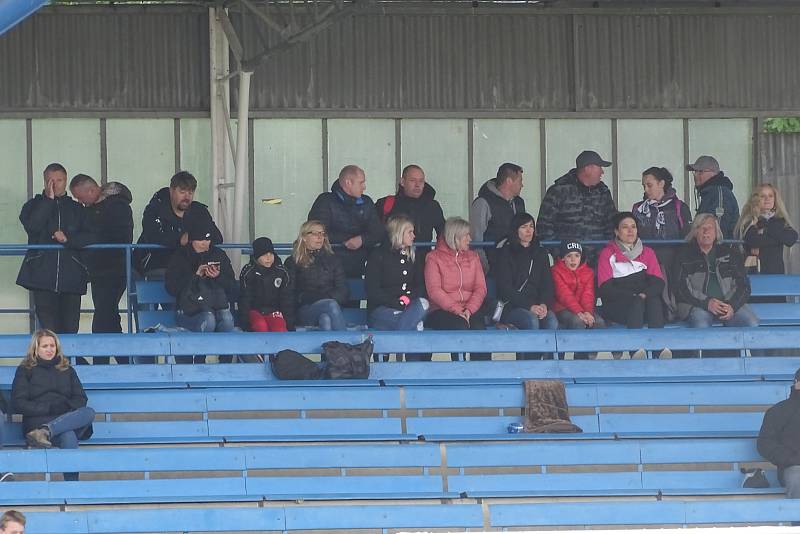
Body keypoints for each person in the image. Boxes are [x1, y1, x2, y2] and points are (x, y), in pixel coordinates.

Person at [17, 163, 93, 335]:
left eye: (59, 180)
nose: (56, 184)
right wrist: (48, 201)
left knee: (70, 330)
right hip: (42, 276)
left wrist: (68, 239)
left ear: (65, 181)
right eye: (51, 180)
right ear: (44, 182)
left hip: (72, 276)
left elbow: (91, 236)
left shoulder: (78, 209)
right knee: (49, 332)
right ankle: (53, 362)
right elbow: (33, 226)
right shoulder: (32, 206)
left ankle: (68, 362)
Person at [11, 330, 95, 481]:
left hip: (64, 418)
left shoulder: (67, 369)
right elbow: (19, 403)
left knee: (89, 412)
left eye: (52, 345)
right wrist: (49, 408)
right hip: (37, 420)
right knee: (68, 435)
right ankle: (72, 486)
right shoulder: (25, 370)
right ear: (35, 349)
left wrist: (64, 407)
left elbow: (81, 398)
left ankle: (46, 432)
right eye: (44, 346)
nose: (49, 349)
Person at [70, 175, 134, 363]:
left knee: (103, 318)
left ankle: (105, 364)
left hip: (114, 270)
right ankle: (125, 363)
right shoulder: (98, 208)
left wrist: (76, 240)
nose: (80, 202)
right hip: (101, 271)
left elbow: (108, 236)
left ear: (91, 191)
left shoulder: (117, 207)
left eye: (80, 198)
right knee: (109, 318)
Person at [165, 209, 236, 363]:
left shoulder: (218, 255)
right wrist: (195, 275)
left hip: (215, 306)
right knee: (208, 320)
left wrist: (218, 277)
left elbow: (232, 286)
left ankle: (225, 365)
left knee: (227, 318)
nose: (205, 243)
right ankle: (199, 361)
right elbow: (172, 288)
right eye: (201, 239)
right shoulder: (180, 257)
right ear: (192, 240)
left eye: (208, 239)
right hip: (188, 311)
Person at [672, 213, 759, 329]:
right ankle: (703, 348)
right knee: (701, 324)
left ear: (717, 232)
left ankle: (735, 348)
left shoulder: (731, 254)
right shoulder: (683, 256)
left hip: (728, 305)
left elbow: (743, 286)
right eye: (701, 228)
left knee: (751, 323)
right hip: (696, 306)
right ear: (695, 232)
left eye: (710, 228)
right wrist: (707, 303)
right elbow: (681, 289)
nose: (706, 231)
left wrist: (732, 305)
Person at [134, 170, 223, 278]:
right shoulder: (154, 210)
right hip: (157, 266)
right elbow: (153, 236)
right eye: (182, 192)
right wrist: (181, 240)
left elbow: (217, 237)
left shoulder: (199, 211)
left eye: (190, 192)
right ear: (171, 191)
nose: (187, 197)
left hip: (193, 266)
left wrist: (192, 238)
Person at [424, 217, 489, 361]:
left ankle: (482, 373)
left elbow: (480, 288)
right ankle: (459, 367)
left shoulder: (473, 257)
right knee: (459, 325)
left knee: (479, 330)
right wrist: (457, 310)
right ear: (455, 237)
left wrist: (469, 309)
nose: (470, 239)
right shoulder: (434, 258)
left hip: (469, 309)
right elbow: (434, 291)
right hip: (441, 310)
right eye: (466, 235)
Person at [493, 213, 557, 360]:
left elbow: (547, 284)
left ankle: (548, 367)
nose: (529, 231)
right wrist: (530, 306)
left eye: (531, 227)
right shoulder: (505, 253)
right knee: (531, 320)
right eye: (524, 227)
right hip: (512, 306)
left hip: (537, 305)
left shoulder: (540, 253)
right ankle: (529, 366)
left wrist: (544, 304)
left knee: (551, 320)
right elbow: (505, 289)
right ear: (515, 230)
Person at [537, 151, 617, 266]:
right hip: (566, 264)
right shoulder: (559, 190)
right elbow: (544, 226)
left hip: (597, 263)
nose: (602, 172)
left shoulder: (603, 192)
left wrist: (604, 253)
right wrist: (561, 254)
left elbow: (612, 225)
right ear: (588, 168)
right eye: (599, 167)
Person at [365, 216, 429, 357]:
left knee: (423, 303)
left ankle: (396, 343)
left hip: (407, 308)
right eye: (410, 232)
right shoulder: (378, 255)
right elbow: (372, 290)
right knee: (414, 326)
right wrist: (395, 302)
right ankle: (412, 373)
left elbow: (420, 286)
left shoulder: (413, 256)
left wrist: (407, 298)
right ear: (399, 233)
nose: (414, 236)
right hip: (381, 310)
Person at [307, 165, 383, 277]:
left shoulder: (366, 202)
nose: (364, 187)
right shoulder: (325, 201)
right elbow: (316, 232)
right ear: (348, 183)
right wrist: (349, 240)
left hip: (358, 268)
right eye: (361, 183)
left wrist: (362, 240)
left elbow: (378, 232)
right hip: (327, 270)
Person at [597, 212, 666, 333]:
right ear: (617, 232)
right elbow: (605, 289)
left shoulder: (647, 252)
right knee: (637, 303)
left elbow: (658, 283)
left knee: (654, 301)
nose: (630, 231)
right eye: (625, 227)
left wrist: (643, 295)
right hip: (618, 306)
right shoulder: (607, 254)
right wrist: (633, 297)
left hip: (644, 302)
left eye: (633, 227)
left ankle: (658, 349)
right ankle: (636, 350)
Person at [284, 220, 349, 331]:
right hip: (305, 310)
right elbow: (290, 294)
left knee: (325, 320)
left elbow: (343, 292)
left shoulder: (334, 260)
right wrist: (289, 322)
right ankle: (345, 345)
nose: (320, 237)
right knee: (331, 305)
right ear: (304, 237)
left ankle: (332, 347)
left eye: (322, 233)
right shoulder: (293, 262)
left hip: (329, 306)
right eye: (315, 233)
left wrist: (321, 298)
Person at [375, 164, 445, 262]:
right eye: (413, 180)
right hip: (391, 264)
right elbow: (374, 233)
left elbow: (443, 234)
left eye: (421, 181)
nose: (417, 185)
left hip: (423, 263)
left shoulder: (432, 206)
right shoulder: (385, 204)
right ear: (402, 182)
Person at [469, 162, 525, 272]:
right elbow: (476, 239)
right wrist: (485, 267)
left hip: (516, 266)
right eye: (520, 181)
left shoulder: (519, 203)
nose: (522, 185)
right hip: (493, 267)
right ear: (509, 181)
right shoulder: (483, 203)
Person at [632, 166, 692, 265]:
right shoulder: (638, 208)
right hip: (645, 261)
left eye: (649, 185)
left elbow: (687, 236)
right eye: (644, 186)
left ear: (661, 184)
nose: (646, 189)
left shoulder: (679, 207)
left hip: (673, 262)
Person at [735, 183, 798, 275]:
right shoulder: (750, 220)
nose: (767, 199)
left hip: (776, 272)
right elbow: (753, 241)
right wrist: (779, 239)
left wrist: (765, 230)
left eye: (770, 196)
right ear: (756, 199)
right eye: (762, 196)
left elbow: (791, 238)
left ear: (775, 199)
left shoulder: (780, 220)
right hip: (754, 272)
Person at [757, 367, 800, 499]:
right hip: (794, 468)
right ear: (797, 383)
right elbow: (764, 444)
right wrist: (793, 459)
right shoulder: (778, 411)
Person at [239, 237, 294, 332]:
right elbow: (245, 299)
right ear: (257, 256)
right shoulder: (249, 271)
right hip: (254, 311)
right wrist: (245, 324)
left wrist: (290, 324)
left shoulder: (282, 272)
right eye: (264, 255)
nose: (268, 258)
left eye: (271, 254)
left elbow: (287, 299)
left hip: (274, 311)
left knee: (280, 328)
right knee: (260, 326)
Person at [551, 241, 606, 331]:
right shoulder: (555, 271)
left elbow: (588, 295)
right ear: (563, 258)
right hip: (562, 308)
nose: (573, 259)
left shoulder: (588, 272)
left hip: (583, 309)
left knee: (599, 322)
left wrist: (588, 312)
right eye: (569, 256)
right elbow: (564, 295)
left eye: (577, 256)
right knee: (577, 321)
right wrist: (579, 312)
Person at [687, 155, 740, 239]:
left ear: (713, 173)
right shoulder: (710, 193)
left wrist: (716, 249)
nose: (696, 175)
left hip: (720, 249)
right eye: (695, 172)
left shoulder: (719, 193)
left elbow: (719, 226)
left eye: (700, 171)